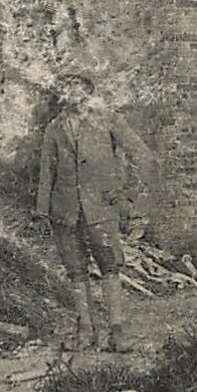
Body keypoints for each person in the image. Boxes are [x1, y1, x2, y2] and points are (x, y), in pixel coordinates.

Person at [35, 67, 155, 353]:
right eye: (67, 84)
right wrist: (43, 211)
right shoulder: (55, 127)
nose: (73, 91)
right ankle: (86, 330)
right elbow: (46, 171)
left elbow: (140, 154)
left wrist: (125, 191)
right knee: (77, 271)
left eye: (79, 85)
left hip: (100, 208)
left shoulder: (108, 120)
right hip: (65, 210)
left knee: (110, 266)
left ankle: (117, 330)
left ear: (89, 90)